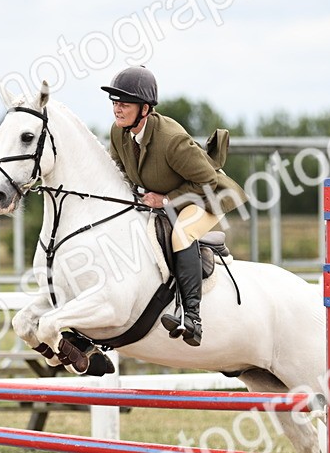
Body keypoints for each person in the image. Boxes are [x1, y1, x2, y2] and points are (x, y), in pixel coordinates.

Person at [101, 66, 245, 347]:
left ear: (145, 109)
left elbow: (206, 180)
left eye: (125, 104)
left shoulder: (171, 139)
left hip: (206, 195)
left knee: (182, 232)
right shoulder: (119, 134)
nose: (117, 109)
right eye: (115, 102)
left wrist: (165, 200)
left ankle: (192, 318)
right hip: (169, 194)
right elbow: (117, 173)